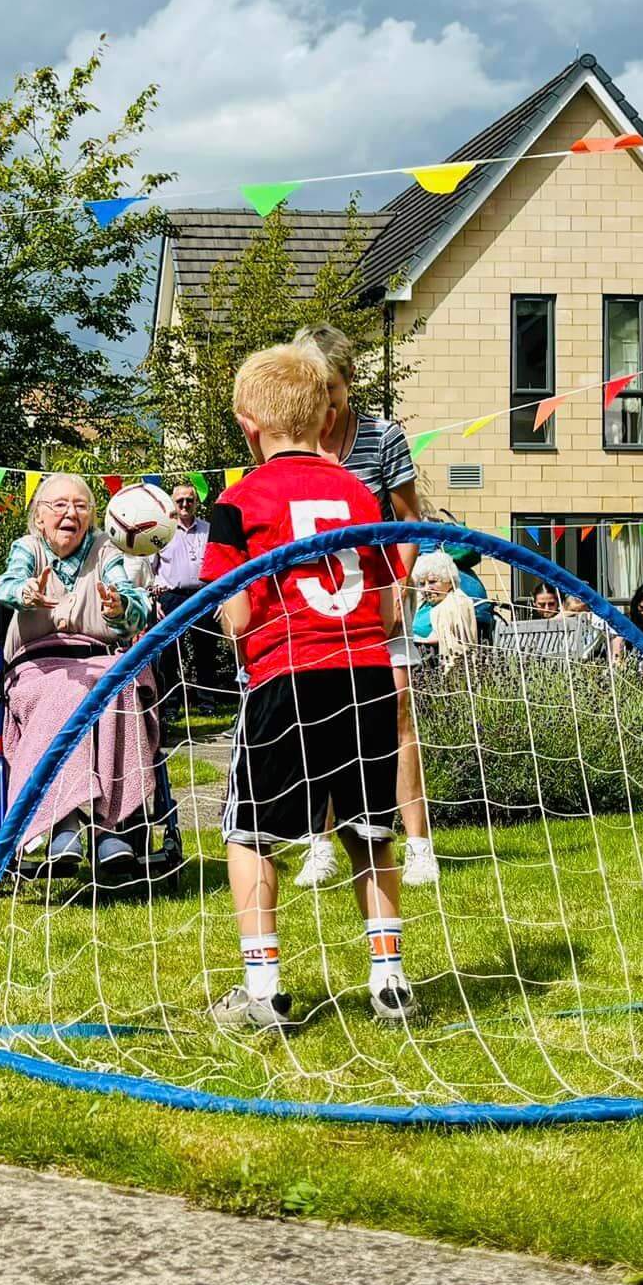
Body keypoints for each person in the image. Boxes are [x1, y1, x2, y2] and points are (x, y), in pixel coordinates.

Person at [201, 341, 406, 1031]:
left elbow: (236, 616)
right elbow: (387, 603)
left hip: (287, 678)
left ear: (247, 423)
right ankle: (389, 981)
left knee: (250, 833)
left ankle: (263, 988)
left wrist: (244, 621)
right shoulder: (357, 492)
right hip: (367, 675)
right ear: (325, 417)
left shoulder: (238, 500)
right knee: (369, 830)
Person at [296, 324, 438, 888]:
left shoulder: (383, 438)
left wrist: (396, 586)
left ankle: (419, 844)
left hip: (375, 595)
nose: (321, 400)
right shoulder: (293, 438)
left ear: (348, 383)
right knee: (318, 718)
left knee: (398, 712)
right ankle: (320, 843)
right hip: (314, 600)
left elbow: (409, 521)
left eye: (328, 387)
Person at [0, 473, 157, 869]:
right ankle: (63, 822)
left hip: (98, 658)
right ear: (39, 518)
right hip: (37, 665)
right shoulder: (28, 548)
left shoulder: (105, 551)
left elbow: (135, 602)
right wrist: (25, 592)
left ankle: (112, 828)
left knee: (120, 687)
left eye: (81, 506)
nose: (71, 513)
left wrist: (119, 606)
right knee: (69, 693)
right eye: (59, 505)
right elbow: (5, 583)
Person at [148, 484, 226, 723]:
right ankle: (170, 707)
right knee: (170, 655)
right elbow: (148, 570)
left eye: (189, 500)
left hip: (203, 596)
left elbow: (220, 566)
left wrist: (221, 598)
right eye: (180, 501)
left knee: (206, 653)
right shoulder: (163, 531)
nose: (184, 505)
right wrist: (154, 599)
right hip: (171, 598)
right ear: (173, 503)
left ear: (196, 502)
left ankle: (207, 705)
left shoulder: (208, 530)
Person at [408, 549, 478, 661]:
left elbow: (438, 640)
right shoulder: (421, 603)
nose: (426, 588)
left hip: (429, 661)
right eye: (422, 584)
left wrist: (408, 640)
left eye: (432, 582)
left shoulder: (456, 603)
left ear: (449, 582)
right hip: (413, 654)